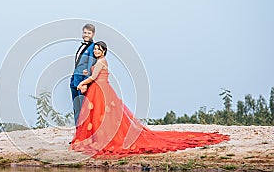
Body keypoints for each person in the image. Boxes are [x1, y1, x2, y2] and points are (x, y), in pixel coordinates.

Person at [70, 41, 229, 157]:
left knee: (102, 116)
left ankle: (103, 140)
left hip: (101, 90)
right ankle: (100, 138)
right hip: (100, 90)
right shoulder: (99, 62)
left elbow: (94, 77)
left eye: (99, 49)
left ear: (104, 51)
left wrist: (82, 83)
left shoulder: (101, 62)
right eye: (96, 49)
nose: (97, 51)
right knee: (101, 117)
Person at [70, 24, 96, 126]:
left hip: (82, 80)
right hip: (75, 79)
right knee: (76, 108)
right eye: (85, 32)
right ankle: (78, 134)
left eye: (89, 33)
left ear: (93, 34)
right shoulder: (82, 45)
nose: (86, 35)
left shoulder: (93, 47)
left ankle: (84, 135)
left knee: (84, 108)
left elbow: (90, 65)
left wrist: (85, 82)